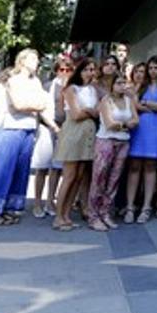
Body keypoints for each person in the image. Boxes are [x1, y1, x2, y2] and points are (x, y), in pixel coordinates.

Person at [0, 50, 51, 225]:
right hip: (11, 128)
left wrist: (33, 105)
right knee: (2, 169)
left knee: (20, 171)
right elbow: (17, 105)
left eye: (37, 59)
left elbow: (43, 103)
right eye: (33, 59)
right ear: (22, 61)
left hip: (29, 128)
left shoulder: (36, 81)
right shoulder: (13, 80)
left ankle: (9, 207)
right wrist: (34, 105)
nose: (36, 62)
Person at [53, 58, 100, 231]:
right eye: (87, 69)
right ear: (79, 71)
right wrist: (88, 111)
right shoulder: (71, 89)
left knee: (80, 176)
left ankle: (66, 213)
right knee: (69, 175)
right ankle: (58, 216)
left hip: (88, 132)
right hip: (74, 132)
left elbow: (97, 112)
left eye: (92, 69)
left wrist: (88, 111)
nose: (90, 72)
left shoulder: (92, 90)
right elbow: (75, 114)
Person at [88, 73, 139, 231]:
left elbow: (136, 120)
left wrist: (122, 124)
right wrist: (126, 124)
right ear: (111, 85)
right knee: (99, 178)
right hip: (106, 141)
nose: (121, 85)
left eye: (124, 82)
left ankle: (105, 212)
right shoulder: (106, 101)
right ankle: (93, 215)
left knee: (114, 179)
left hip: (123, 142)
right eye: (118, 82)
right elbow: (110, 124)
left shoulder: (128, 100)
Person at [124, 56, 157, 223]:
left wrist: (146, 103)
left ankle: (146, 207)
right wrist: (152, 105)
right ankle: (130, 207)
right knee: (134, 166)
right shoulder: (140, 86)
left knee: (151, 166)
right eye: (150, 68)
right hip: (140, 128)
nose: (152, 71)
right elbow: (134, 105)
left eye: (156, 68)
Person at [30, 56, 70, 218]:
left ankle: (50, 201)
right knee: (42, 167)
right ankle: (37, 203)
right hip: (47, 128)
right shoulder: (47, 86)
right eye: (62, 69)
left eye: (69, 70)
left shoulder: (72, 87)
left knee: (57, 168)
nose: (65, 73)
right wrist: (52, 126)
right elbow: (41, 109)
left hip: (64, 129)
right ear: (56, 71)